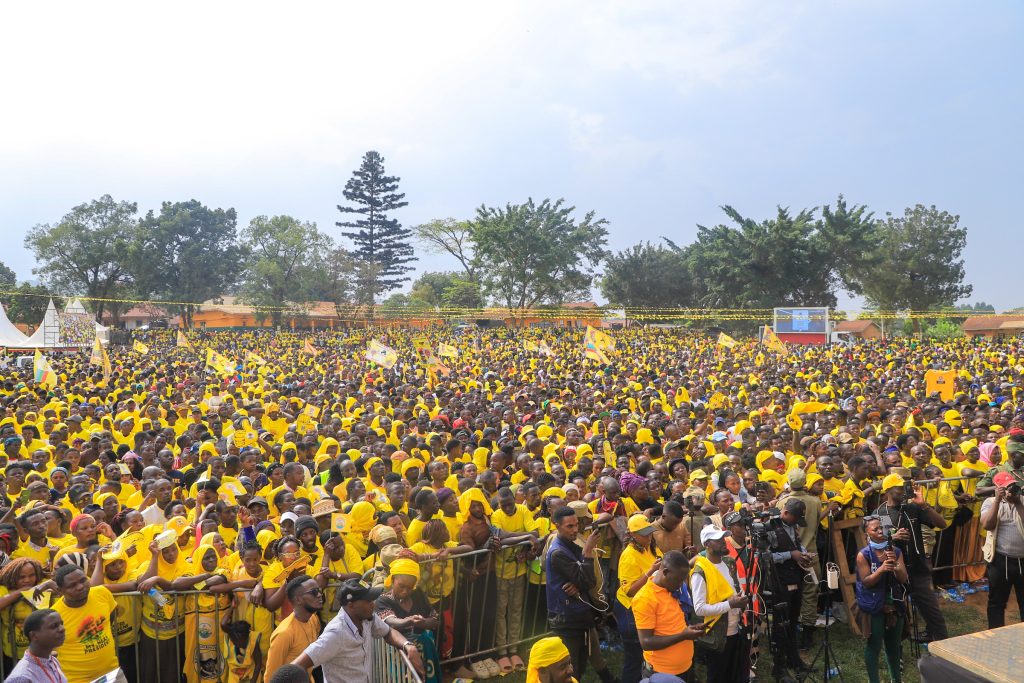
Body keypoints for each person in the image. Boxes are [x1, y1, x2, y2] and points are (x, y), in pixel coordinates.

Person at [291, 579, 424, 683]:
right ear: (351, 605)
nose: (373, 604)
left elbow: (388, 632)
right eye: (368, 601)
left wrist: (408, 646)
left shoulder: (367, 617)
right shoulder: (335, 634)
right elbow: (297, 665)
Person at [873, 473, 949, 642]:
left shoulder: (913, 508)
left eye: (904, 487)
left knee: (931, 609)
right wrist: (894, 537)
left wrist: (924, 506)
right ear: (888, 490)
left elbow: (941, 524)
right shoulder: (881, 513)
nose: (903, 491)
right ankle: (897, 645)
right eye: (899, 488)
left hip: (918, 568)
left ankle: (942, 642)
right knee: (898, 610)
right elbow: (879, 541)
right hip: (895, 571)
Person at [632, 550, 705, 682]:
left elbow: (672, 624)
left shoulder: (671, 588)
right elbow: (646, 642)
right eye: (678, 580)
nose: (680, 585)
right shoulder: (645, 598)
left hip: (685, 668)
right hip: (662, 674)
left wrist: (690, 629)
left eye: (683, 580)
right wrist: (684, 635)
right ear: (665, 572)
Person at [545, 505, 600, 679]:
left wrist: (579, 583)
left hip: (578, 613)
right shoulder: (558, 552)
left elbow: (583, 579)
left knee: (581, 664)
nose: (575, 529)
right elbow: (588, 581)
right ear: (557, 526)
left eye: (576, 524)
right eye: (570, 526)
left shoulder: (570, 544)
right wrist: (589, 551)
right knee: (570, 668)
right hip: (566, 617)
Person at [690, 526, 749, 683]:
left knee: (734, 673)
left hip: (736, 629)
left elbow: (737, 588)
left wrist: (743, 602)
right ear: (707, 544)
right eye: (718, 540)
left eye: (724, 538)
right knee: (717, 676)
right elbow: (699, 609)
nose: (724, 542)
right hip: (717, 636)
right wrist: (730, 604)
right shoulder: (700, 572)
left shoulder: (729, 562)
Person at [855, 515, 909, 683]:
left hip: (895, 605)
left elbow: (903, 579)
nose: (880, 532)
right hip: (874, 607)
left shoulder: (896, 551)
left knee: (893, 646)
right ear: (867, 533)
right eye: (874, 529)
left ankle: (896, 680)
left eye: (881, 528)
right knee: (874, 646)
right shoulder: (863, 555)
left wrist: (897, 567)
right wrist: (881, 570)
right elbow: (866, 582)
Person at [51, 564, 125, 683]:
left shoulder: (102, 593)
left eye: (83, 580)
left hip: (112, 673)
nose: (80, 587)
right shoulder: (54, 616)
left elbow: (110, 618)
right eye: (72, 585)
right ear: (60, 590)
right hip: (77, 679)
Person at [766, 498, 812, 682]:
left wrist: (802, 552)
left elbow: (795, 544)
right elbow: (765, 555)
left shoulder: (792, 526)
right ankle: (779, 667)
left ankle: (794, 660)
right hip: (779, 582)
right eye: (795, 519)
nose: (796, 524)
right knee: (781, 625)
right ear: (786, 513)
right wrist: (790, 555)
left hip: (796, 579)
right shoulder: (769, 527)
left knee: (793, 621)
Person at [616, 513, 661, 683]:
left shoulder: (651, 546)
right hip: (630, 610)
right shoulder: (628, 556)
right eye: (644, 534)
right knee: (634, 658)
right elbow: (630, 591)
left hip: (646, 605)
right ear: (633, 535)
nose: (648, 536)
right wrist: (650, 572)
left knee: (645, 656)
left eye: (649, 532)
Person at [979, 471, 1024, 628]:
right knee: (997, 602)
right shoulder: (989, 502)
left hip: (1022, 560)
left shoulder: (1022, 500)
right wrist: (997, 501)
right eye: (1005, 488)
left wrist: (1018, 503)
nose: (1010, 491)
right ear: (998, 488)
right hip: (1000, 560)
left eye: (1012, 486)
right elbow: (987, 525)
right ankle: (995, 635)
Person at [266, 575, 323, 680]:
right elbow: (271, 676)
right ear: (298, 600)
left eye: (319, 590)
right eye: (314, 592)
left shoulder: (314, 619)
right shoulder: (284, 633)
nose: (319, 595)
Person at [3, 609, 67, 683]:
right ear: (34, 635)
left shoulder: (53, 661)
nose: (62, 629)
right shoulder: (22, 677)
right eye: (54, 626)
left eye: (61, 624)